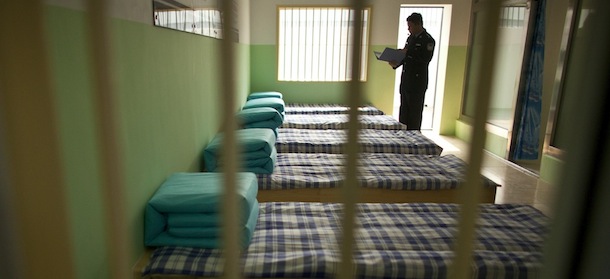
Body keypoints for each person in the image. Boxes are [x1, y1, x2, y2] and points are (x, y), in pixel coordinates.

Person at [389, 13, 435, 131]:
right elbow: (406, 57)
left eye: (410, 26)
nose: (408, 29)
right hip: (406, 81)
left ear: (418, 24)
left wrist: (406, 53)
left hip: (417, 83)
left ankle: (414, 139)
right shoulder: (410, 38)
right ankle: (403, 138)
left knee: (414, 115)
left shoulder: (428, 40)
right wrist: (396, 62)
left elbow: (425, 59)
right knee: (404, 112)